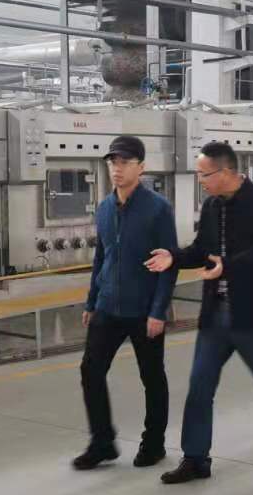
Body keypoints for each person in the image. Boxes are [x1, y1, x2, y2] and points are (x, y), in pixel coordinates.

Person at [146, 142, 253, 484]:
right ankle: (195, 458)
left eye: (204, 175)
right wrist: (173, 257)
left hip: (251, 314)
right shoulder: (212, 206)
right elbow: (201, 250)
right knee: (200, 386)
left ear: (226, 171)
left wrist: (225, 266)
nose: (200, 181)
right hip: (215, 314)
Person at [75, 135, 179, 470]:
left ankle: (154, 444)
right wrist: (91, 302)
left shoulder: (158, 208)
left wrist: (158, 311)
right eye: (113, 162)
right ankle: (102, 442)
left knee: (152, 376)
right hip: (107, 306)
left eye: (124, 163)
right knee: (90, 370)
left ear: (141, 167)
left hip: (143, 310)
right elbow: (101, 257)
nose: (117, 169)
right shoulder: (105, 207)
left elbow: (169, 263)